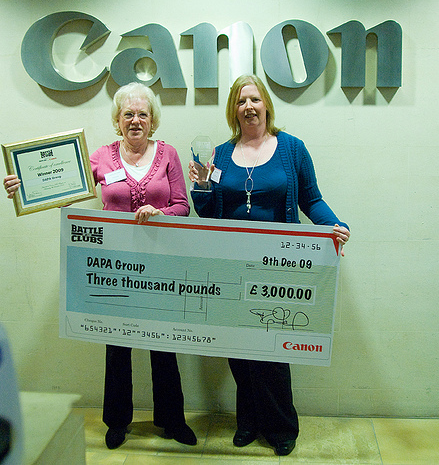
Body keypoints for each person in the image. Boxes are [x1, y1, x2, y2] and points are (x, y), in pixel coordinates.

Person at [4, 82, 197, 450]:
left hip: (160, 267)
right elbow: (62, 183)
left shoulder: (168, 153)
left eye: (142, 114)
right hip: (114, 268)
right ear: (117, 120)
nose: (135, 120)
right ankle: (117, 422)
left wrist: (161, 213)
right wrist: (23, 183)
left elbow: (182, 206)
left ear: (152, 119)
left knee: (164, 344)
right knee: (117, 345)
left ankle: (172, 420)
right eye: (128, 114)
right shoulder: (101, 157)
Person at [188, 74, 350, 456]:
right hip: (231, 266)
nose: (249, 107)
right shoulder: (220, 155)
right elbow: (209, 214)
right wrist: (202, 187)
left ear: (266, 106)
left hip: (277, 266)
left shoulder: (292, 149)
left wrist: (333, 226)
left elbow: (311, 199)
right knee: (238, 348)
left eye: (255, 100)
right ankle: (248, 421)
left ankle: (280, 426)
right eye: (241, 101)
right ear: (234, 110)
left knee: (273, 350)